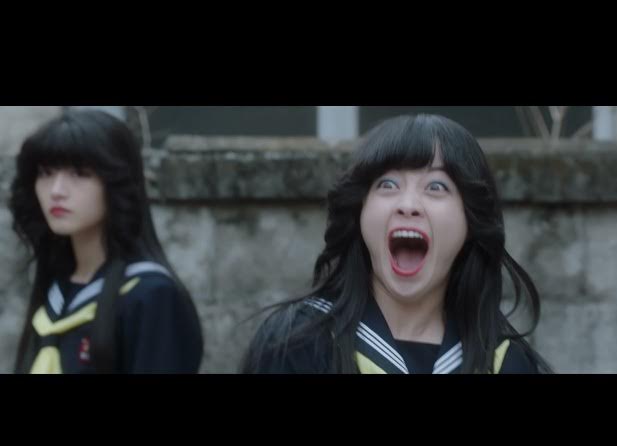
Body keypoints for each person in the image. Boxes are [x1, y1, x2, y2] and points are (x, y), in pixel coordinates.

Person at [242, 114, 552, 374]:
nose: (408, 205)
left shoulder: (504, 363)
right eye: (388, 184)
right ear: (360, 211)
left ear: (471, 221)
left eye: (436, 187)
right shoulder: (296, 345)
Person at [10, 109, 203, 374]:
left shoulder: (150, 295)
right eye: (46, 173)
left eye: (79, 173)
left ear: (116, 182)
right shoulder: (56, 287)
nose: (56, 191)